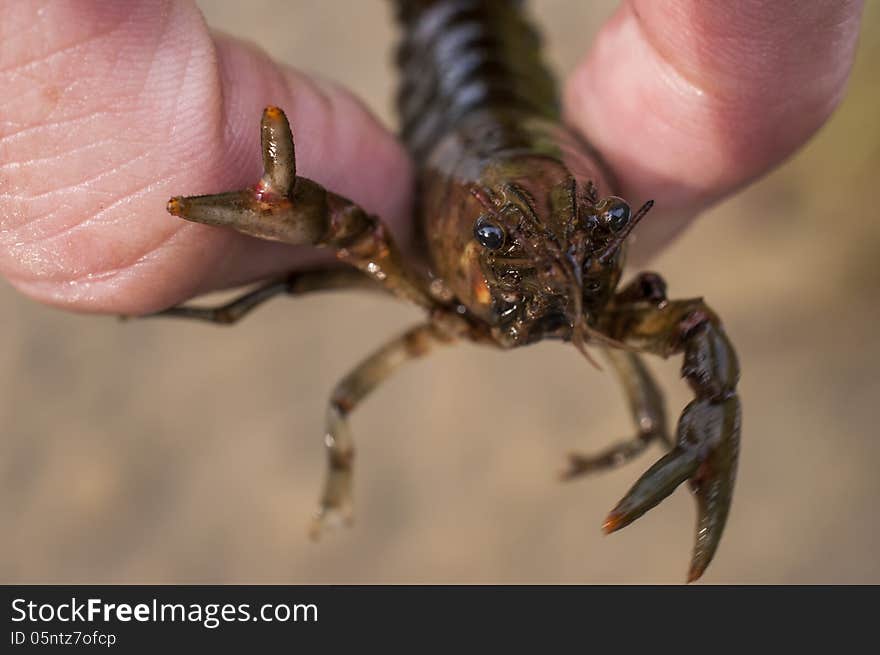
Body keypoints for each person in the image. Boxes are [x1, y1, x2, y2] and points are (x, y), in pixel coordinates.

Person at [0, 0, 865, 315]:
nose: (561, 269)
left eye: (605, 226)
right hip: (454, 67)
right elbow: (344, 234)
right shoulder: (408, 242)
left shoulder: (591, 265)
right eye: (498, 248)